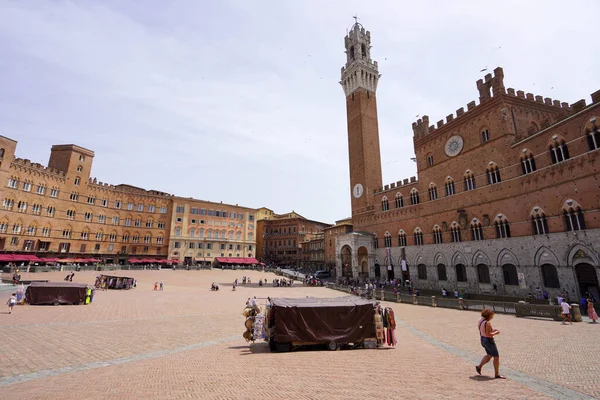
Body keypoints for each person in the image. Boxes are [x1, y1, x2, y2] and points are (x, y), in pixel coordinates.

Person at [475, 309, 505, 379]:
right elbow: (489, 334)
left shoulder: (480, 320)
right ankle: (496, 374)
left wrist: (492, 330)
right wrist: (496, 332)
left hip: (483, 339)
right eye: (492, 316)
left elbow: (483, 330)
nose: (492, 317)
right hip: (488, 341)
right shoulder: (487, 323)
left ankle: (479, 367)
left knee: (489, 355)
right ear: (488, 315)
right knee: (496, 357)